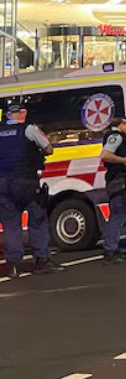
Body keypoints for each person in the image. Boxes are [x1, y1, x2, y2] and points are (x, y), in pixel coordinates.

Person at [0, 99, 62, 277]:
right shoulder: (28, 129)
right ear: (21, 114)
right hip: (25, 182)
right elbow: (49, 149)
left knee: (11, 225)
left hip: (3, 184)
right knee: (38, 219)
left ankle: (12, 266)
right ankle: (41, 260)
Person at [99, 114, 126, 265]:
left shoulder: (117, 136)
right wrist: (125, 161)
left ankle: (112, 248)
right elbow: (106, 155)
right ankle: (110, 250)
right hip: (117, 181)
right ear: (124, 124)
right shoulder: (116, 136)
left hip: (119, 178)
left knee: (118, 215)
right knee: (117, 215)